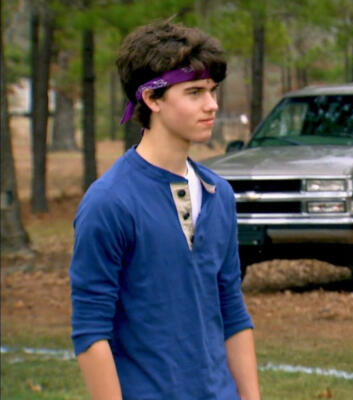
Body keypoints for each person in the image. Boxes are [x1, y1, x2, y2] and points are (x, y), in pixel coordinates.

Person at [70, 21, 261, 400]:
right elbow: (91, 332)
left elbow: (232, 311)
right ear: (152, 99)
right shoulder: (109, 202)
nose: (212, 105)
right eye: (194, 92)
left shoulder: (219, 194)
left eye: (212, 90)